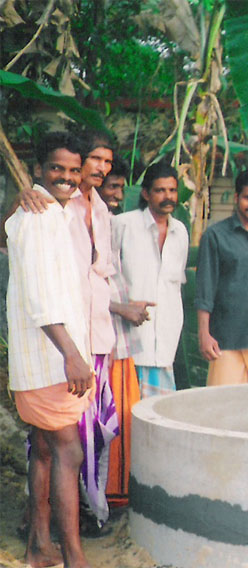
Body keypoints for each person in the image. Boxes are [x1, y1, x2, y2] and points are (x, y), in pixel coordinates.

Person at [19, 130, 123, 533]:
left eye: (107, 161)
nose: (101, 168)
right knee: (61, 444)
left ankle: (62, 527)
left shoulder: (99, 210)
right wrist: (23, 194)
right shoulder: (44, 208)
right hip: (59, 347)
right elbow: (39, 290)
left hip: (91, 335)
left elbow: (98, 276)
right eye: (95, 159)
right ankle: (56, 535)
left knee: (80, 438)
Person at [6, 131, 94, 568]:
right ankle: (74, 557)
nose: (66, 177)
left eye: (74, 170)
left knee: (44, 449)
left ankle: (40, 548)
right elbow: (41, 298)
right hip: (51, 361)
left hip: (42, 362)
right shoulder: (38, 217)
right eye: (57, 168)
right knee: (67, 452)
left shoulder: (48, 213)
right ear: (39, 169)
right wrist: (71, 354)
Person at [97, 157, 150, 507]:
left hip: (120, 339)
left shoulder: (109, 222)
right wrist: (122, 309)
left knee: (125, 418)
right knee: (108, 422)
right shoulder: (87, 222)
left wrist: (129, 307)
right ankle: (103, 499)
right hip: (102, 341)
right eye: (112, 186)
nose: (118, 194)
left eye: (120, 187)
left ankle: (117, 496)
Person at [112, 162, 189, 398]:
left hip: (166, 336)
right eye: (160, 190)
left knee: (158, 410)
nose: (168, 197)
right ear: (146, 193)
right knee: (126, 408)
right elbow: (105, 276)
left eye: (172, 190)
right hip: (128, 336)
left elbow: (175, 284)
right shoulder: (123, 224)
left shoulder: (180, 231)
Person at [196, 170, 248, 386]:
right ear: (236, 197)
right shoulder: (216, 235)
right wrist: (204, 333)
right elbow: (205, 289)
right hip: (227, 339)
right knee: (224, 403)